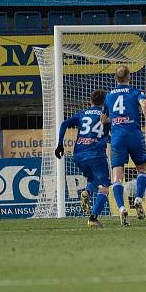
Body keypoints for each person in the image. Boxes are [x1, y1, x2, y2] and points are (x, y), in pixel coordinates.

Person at [102, 65, 146, 227]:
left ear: (115, 78)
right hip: (134, 135)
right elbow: (145, 105)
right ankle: (138, 198)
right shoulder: (136, 92)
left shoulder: (109, 96)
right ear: (129, 77)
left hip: (118, 137)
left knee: (117, 177)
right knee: (142, 169)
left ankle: (122, 208)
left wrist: (117, 119)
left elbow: (103, 120)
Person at [55, 89, 111, 228]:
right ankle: (93, 218)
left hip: (79, 155)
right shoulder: (106, 116)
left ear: (90, 101)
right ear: (104, 102)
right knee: (104, 186)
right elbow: (107, 133)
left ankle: (87, 192)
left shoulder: (82, 114)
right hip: (96, 154)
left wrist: (60, 145)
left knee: (92, 179)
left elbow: (64, 124)